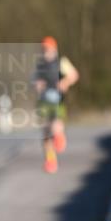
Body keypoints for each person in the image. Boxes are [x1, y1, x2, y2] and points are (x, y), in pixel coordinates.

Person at [33, 37, 79, 173]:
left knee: (55, 124)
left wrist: (65, 82)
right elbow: (35, 80)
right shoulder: (40, 65)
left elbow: (74, 75)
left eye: (48, 49)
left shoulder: (61, 62)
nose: (46, 52)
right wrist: (37, 85)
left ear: (54, 49)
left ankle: (59, 137)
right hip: (43, 101)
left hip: (57, 100)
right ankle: (50, 160)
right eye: (44, 49)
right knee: (46, 132)